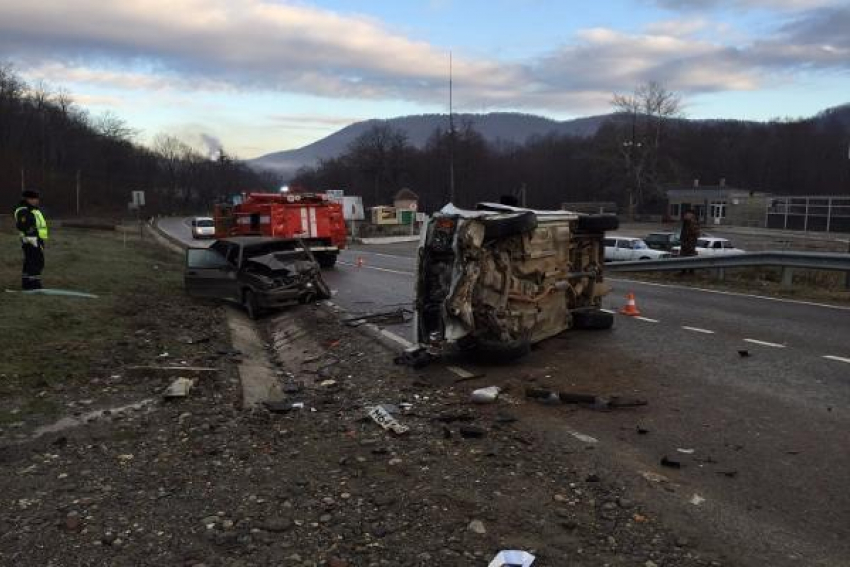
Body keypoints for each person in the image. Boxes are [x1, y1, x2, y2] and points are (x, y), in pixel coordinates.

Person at [14, 189, 48, 290]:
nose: (36, 200)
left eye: (36, 198)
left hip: (35, 239)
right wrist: (30, 236)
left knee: (30, 261)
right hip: (31, 239)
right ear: (27, 199)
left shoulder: (32, 209)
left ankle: (27, 283)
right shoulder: (24, 210)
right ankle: (34, 285)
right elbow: (23, 225)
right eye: (33, 198)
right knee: (36, 262)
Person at [679, 209, 700, 274]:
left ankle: (689, 271)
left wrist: (689, 240)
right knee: (685, 256)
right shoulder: (687, 222)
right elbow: (684, 232)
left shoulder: (692, 222)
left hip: (689, 242)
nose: (685, 216)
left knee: (688, 256)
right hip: (686, 242)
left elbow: (695, 232)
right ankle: (685, 271)